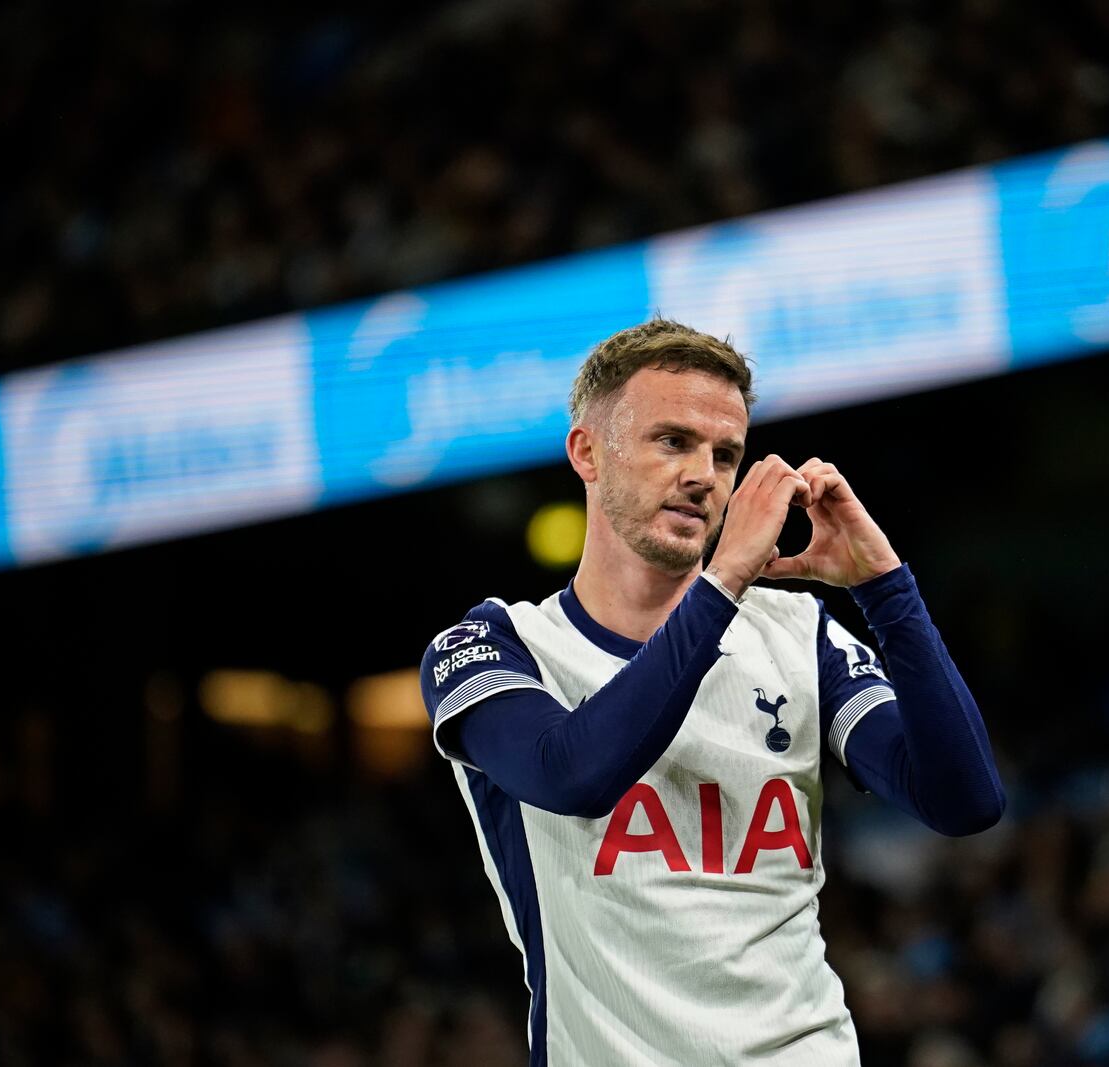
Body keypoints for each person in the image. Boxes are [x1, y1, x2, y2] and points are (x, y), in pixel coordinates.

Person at [419, 318, 1005, 1065]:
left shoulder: (798, 633)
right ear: (587, 452)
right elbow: (572, 772)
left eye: (726, 454)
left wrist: (886, 588)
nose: (705, 474)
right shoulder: (494, 648)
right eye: (673, 441)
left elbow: (963, 799)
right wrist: (724, 582)